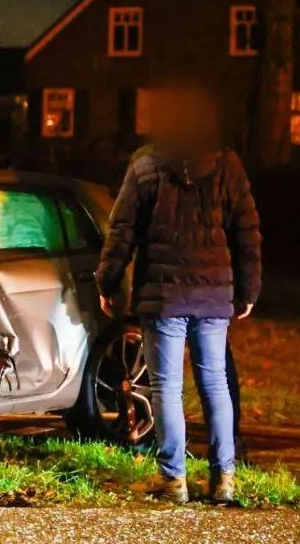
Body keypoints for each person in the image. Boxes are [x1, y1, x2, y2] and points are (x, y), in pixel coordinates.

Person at [96, 87, 261, 504]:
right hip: (212, 296)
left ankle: (174, 480)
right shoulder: (227, 166)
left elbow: (122, 232)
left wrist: (107, 282)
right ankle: (224, 477)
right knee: (215, 383)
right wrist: (248, 290)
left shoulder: (147, 165)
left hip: (163, 295)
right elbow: (247, 233)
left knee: (167, 386)